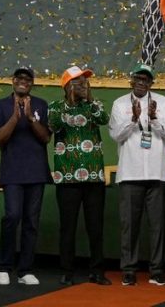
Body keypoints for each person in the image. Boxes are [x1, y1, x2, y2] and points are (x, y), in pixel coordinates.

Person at [109, 64, 165, 286]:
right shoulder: (120, 104)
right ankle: (129, 270)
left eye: (146, 79)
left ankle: (156, 270)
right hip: (130, 172)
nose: (141, 82)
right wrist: (133, 119)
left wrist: (154, 117)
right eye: (138, 78)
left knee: (157, 225)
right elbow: (116, 135)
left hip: (157, 173)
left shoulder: (163, 102)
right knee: (130, 224)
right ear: (131, 80)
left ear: (151, 83)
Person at [50, 66, 110, 285]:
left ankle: (97, 271)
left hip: (93, 176)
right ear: (66, 86)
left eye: (84, 82)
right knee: (68, 226)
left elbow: (104, 119)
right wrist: (70, 103)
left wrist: (89, 99)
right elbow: (54, 125)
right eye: (76, 82)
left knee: (95, 227)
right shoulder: (56, 107)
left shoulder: (94, 105)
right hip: (67, 178)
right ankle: (67, 270)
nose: (82, 86)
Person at [0, 66, 51, 286]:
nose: (23, 81)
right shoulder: (1, 105)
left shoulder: (41, 105)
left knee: (31, 222)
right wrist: (16, 117)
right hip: (12, 172)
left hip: (36, 172)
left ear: (31, 83)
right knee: (12, 216)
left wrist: (30, 117)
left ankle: (25, 270)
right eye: (19, 78)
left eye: (28, 79)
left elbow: (46, 138)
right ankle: (4, 266)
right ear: (13, 81)